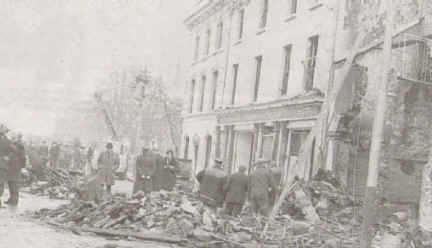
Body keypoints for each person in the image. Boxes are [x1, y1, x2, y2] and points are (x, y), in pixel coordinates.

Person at [5, 133, 26, 205]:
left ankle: (15, 200)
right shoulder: (13, 145)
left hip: (16, 166)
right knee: (10, 182)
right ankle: (11, 199)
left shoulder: (20, 145)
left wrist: (22, 166)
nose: (14, 139)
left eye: (15, 138)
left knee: (15, 183)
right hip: (11, 166)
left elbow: (23, 157)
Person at [0, 125, 13, 207]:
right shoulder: (7, 141)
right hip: (2, 164)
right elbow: (13, 151)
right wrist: (7, 157)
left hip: (2, 164)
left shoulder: (7, 140)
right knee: (1, 183)